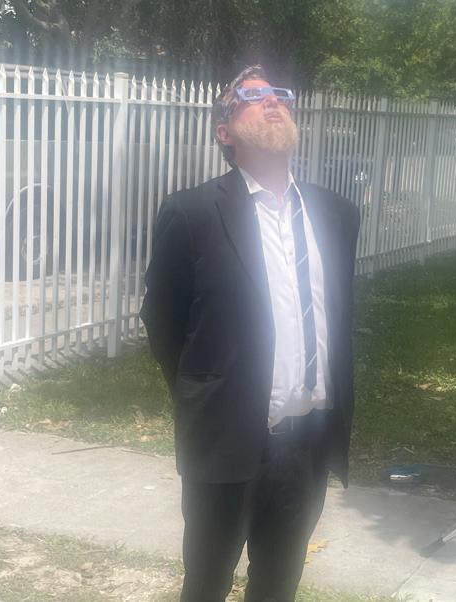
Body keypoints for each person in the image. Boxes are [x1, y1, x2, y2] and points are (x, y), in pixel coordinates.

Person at [139, 64, 360, 602]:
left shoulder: (336, 213)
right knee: (206, 584)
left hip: (307, 444)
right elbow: (163, 319)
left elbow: (335, 314)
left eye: (280, 92)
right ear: (225, 132)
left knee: (279, 585)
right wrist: (205, 391)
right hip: (226, 440)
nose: (272, 100)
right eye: (252, 95)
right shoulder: (192, 213)